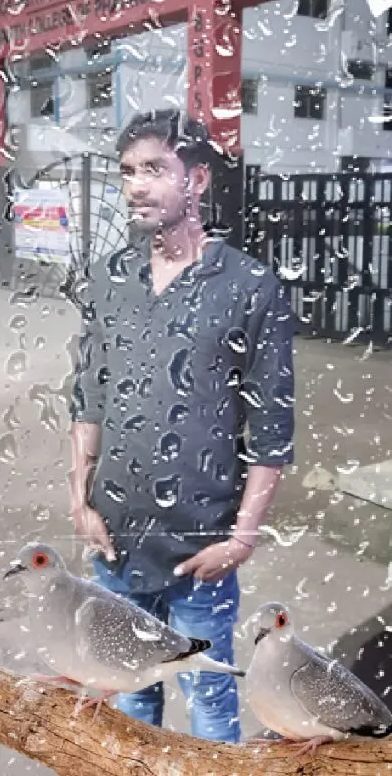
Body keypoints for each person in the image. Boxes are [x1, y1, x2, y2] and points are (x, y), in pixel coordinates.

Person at [69, 108, 295, 743]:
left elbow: (272, 430)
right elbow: (87, 396)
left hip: (202, 548)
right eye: (126, 173)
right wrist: (78, 500)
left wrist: (242, 541)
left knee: (209, 704)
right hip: (114, 540)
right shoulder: (112, 280)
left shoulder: (250, 286)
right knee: (128, 700)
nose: (135, 186)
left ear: (196, 180)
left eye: (153, 170)